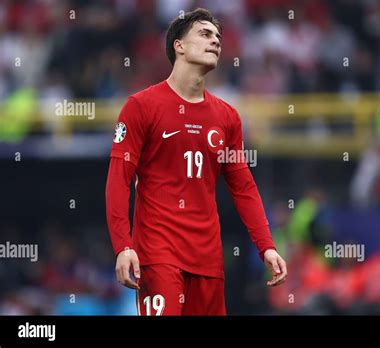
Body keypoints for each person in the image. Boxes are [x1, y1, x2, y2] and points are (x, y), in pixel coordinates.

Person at [105, 8, 287, 316]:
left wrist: (266, 245)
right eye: (205, 34)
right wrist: (123, 246)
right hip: (158, 253)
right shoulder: (140, 107)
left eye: (218, 37)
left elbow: (243, 186)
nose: (215, 41)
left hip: (207, 259)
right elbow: (118, 181)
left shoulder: (227, 117)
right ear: (179, 45)